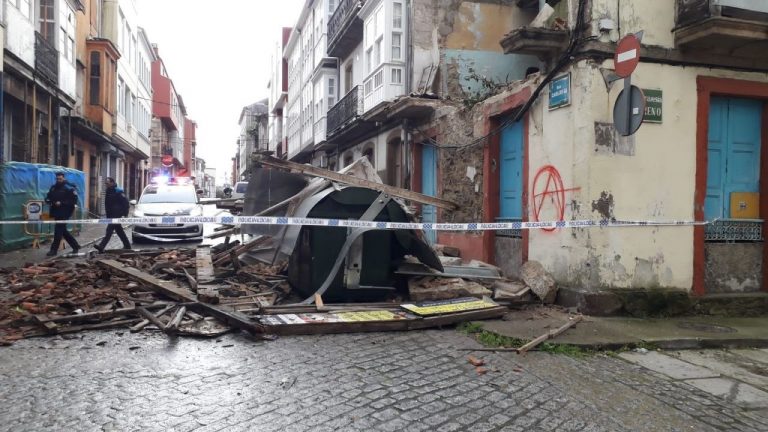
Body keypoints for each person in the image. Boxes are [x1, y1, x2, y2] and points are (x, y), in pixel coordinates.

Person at [45, 171, 80, 256]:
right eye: (57, 179)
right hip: (56, 212)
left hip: (65, 212)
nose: (58, 180)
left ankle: (53, 250)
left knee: (58, 231)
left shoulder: (69, 187)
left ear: (63, 178)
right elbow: (48, 197)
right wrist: (49, 201)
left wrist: (62, 203)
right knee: (63, 231)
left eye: (60, 179)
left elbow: (74, 201)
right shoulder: (53, 187)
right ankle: (75, 246)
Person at [94, 177, 131, 252]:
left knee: (109, 230)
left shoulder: (118, 191)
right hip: (111, 214)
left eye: (107, 183)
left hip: (117, 214)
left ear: (112, 183)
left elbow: (126, 203)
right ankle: (127, 245)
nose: (106, 185)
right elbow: (107, 204)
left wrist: (125, 213)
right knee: (119, 230)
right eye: (106, 184)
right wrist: (108, 215)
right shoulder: (108, 191)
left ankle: (101, 246)